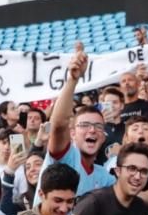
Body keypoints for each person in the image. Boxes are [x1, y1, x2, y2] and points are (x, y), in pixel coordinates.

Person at [42, 46, 116, 198]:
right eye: (84, 125)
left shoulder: (106, 178)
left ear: (103, 137)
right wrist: (73, 79)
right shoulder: (67, 157)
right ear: (72, 134)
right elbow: (58, 125)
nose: (92, 130)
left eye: (98, 126)